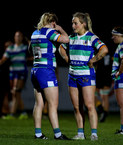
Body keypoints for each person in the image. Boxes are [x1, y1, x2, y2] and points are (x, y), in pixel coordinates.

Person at [59, 12, 108, 141]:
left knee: (90, 105)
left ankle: (94, 134)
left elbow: (104, 49)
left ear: (83, 24)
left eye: (75, 23)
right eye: (72, 23)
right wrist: (65, 57)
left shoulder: (91, 37)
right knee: (77, 107)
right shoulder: (71, 37)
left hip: (86, 75)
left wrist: (93, 60)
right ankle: (80, 134)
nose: (73, 25)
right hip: (72, 75)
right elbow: (61, 48)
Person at [30, 12, 70, 140]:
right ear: (53, 22)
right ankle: (58, 134)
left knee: (38, 104)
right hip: (46, 71)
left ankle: (38, 134)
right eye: (55, 24)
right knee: (53, 104)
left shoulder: (35, 33)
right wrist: (60, 29)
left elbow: (30, 49)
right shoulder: (49, 31)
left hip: (35, 70)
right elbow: (66, 39)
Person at [0, 31, 29, 120]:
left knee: (16, 91)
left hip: (22, 72)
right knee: (15, 93)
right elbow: (4, 58)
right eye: (16, 36)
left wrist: (29, 42)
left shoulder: (25, 47)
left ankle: (12, 114)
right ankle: (23, 112)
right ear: (14, 37)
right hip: (12, 72)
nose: (18, 38)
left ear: (22, 38)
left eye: (19, 36)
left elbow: (33, 51)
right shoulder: (10, 48)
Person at [96, 52, 113, 122]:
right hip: (108, 75)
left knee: (92, 94)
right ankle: (104, 112)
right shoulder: (111, 53)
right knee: (104, 96)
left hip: (100, 75)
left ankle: (101, 109)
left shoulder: (98, 52)